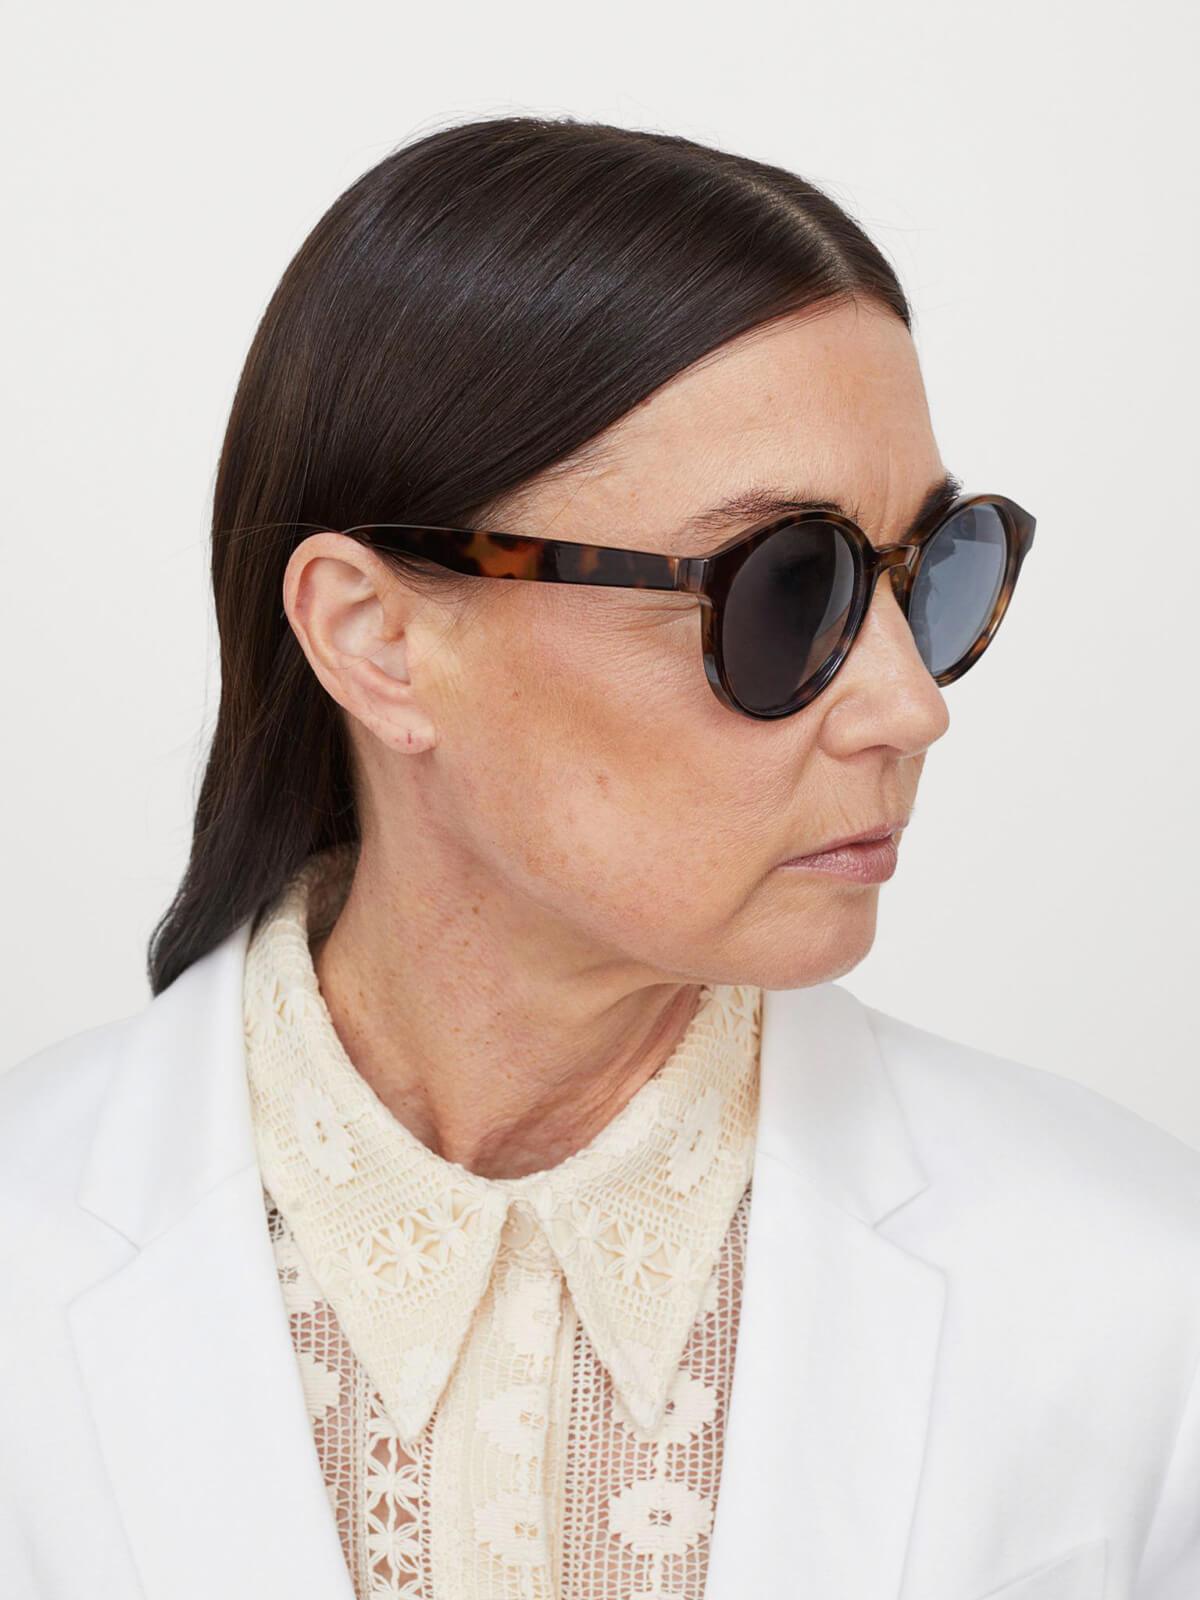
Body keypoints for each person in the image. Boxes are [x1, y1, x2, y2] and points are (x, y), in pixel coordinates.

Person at [2, 114, 1198, 1600]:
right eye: (786, 588)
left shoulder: (1134, 1301)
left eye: (928, 575)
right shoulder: (27, 1263)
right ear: (376, 638)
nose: (910, 704)